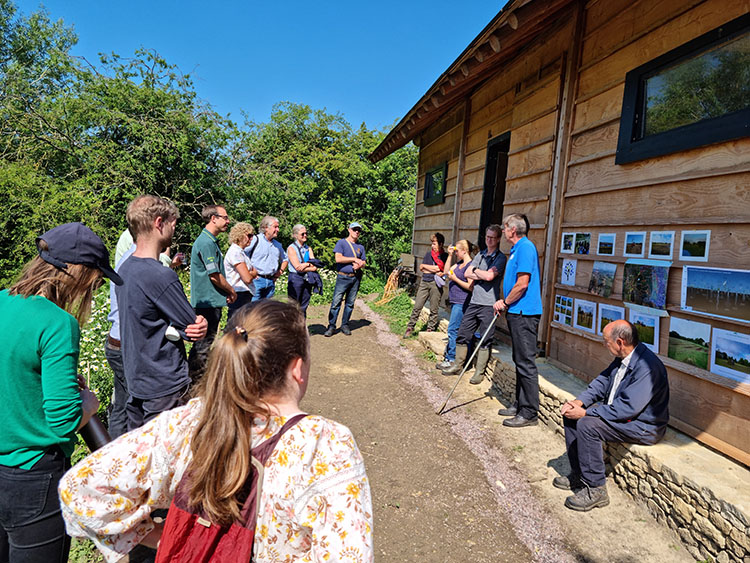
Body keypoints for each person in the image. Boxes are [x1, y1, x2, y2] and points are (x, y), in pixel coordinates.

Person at [59, 300, 374, 562]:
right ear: (298, 369)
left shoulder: (192, 421)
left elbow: (80, 490)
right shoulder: (324, 446)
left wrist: (165, 537)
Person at [0, 222, 117, 562]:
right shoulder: (57, 323)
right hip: (33, 476)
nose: (93, 290)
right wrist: (89, 403)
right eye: (95, 281)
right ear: (78, 273)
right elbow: (64, 420)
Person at [556, 320, 669, 511]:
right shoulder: (624, 358)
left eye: (605, 341)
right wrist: (579, 402)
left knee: (587, 424)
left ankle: (596, 488)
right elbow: (602, 382)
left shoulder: (647, 368)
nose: (603, 344)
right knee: (571, 413)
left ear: (620, 342)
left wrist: (586, 412)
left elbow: (627, 408)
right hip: (625, 415)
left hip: (644, 426)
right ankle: (579, 474)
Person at [117, 195, 208, 430]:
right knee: (166, 457)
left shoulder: (125, 269)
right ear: (159, 223)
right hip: (164, 383)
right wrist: (201, 324)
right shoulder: (159, 275)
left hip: (137, 380)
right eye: (173, 223)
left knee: (141, 454)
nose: (174, 228)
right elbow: (192, 328)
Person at [493, 214, 543, 428]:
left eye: (505, 228)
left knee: (526, 363)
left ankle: (530, 413)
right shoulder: (516, 250)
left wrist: (504, 302)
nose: (503, 231)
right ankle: (520, 404)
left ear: (513, 230)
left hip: (525, 313)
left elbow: (522, 284)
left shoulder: (525, 248)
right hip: (517, 312)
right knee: (519, 359)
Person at [442, 225, 506, 384]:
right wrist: (480, 273)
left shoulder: (500, 258)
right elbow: (466, 273)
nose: (489, 240)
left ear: (498, 239)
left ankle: (479, 372)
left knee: (485, 338)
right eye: (487, 237)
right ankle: (458, 364)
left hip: (489, 303)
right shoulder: (481, 255)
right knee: (463, 332)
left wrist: (477, 273)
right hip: (474, 301)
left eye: (492, 237)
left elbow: (490, 276)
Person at [189, 204, 237, 379]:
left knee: (204, 344)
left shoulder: (209, 241)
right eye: (225, 217)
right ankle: (195, 383)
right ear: (213, 218)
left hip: (210, 300)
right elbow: (214, 275)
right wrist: (231, 291)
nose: (228, 221)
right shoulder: (206, 242)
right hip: (206, 302)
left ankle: (196, 379)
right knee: (202, 345)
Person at [435, 240, 475, 371]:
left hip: (462, 302)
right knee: (455, 330)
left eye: (457, 251)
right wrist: (450, 255)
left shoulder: (470, 265)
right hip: (455, 301)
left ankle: (452, 359)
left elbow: (470, 286)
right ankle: (451, 358)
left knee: (453, 330)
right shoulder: (459, 264)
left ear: (464, 250)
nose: (456, 253)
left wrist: (455, 279)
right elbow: (447, 271)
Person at [325, 221, 367, 337]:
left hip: (355, 278)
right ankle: (331, 326)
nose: (357, 232)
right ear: (349, 230)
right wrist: (354, 259)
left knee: (350, 303)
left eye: (359, 230)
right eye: (354, 229)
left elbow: (364, 262)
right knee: (336, 302)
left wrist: (360, 265)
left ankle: (345, 324)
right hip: (343, 277)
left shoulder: (360, 247)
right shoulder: (341, 243)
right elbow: (338, 259)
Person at [404, 232, 448, 338]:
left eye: (434, 243)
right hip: (424, 282)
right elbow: (422, 268)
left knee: (434, 308)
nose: (432, 246)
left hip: (435, 284)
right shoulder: (429, 254)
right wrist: (434, 269)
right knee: (417, 305)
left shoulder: (445, 256)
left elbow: (442, 270)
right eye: (432, 243)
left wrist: (430, 268)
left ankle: (430, 329)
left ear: (441, 244)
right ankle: (410, 327)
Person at [247, 215, 288, 301]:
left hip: (270, 282)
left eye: (278, 227)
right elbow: (242, 255)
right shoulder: (255, 240)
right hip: (256, 281)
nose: (278, 230)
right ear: (266, 228)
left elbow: (285, 259)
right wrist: (249, 272)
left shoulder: (277, 245)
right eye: (275, 227)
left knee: (266, 311)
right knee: (252, 310)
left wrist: (280, 272)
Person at [224, 221, 259, 319]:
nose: (251, 239)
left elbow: (252, 272)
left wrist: (251, 273)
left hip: (244, 293)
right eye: (249, 235)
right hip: (239, 293)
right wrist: (253, 273)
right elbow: (247, 278)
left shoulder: (241, 252)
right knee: (236, 324)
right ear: (240, 235)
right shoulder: (235, 252)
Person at [286, 223, 318, 317]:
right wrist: (309, 265)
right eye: (302, 234)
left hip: (307, 279)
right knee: (293, 306)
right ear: (295, 235)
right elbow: (297, 267)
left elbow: (315, 266)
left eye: (306, 233)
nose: (305, 236)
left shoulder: (308, 248)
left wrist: (305, 264)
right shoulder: (291, 248)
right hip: (296, 278)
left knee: (304, 305)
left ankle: (302, 328)